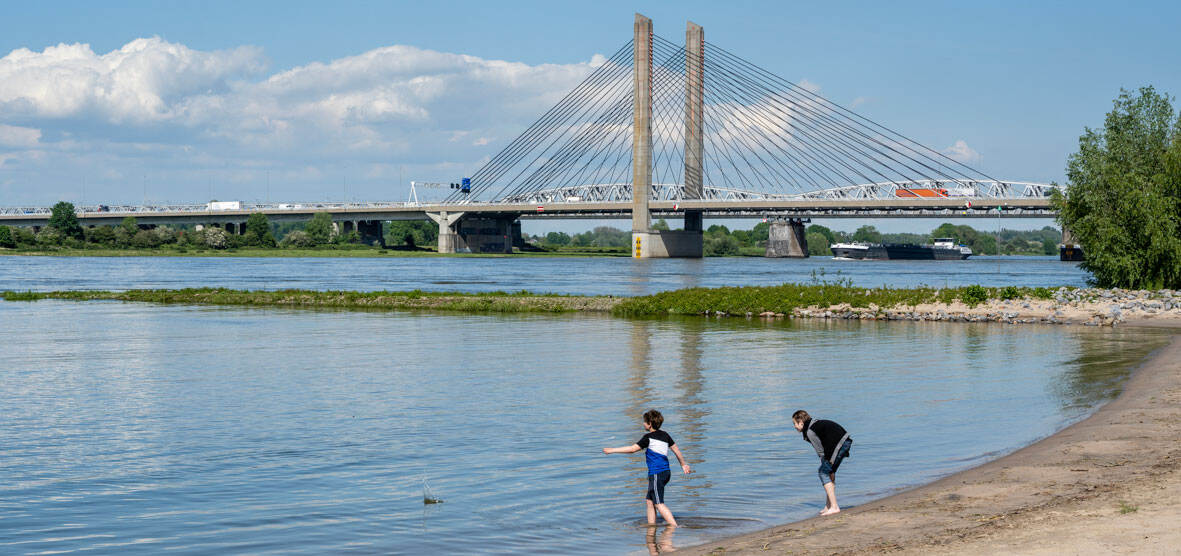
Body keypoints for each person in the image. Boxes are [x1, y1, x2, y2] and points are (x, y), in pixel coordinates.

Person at [603, 409, 692, 527]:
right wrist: (683, 464)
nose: (643, 424)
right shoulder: (665, 435)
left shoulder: (648, 438)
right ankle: (652, 527)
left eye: (644, 422)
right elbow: (676, 449)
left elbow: (632, 449)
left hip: (657, 473)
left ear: (649, 424)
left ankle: (674, 527)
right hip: (665, 473)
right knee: (649, 501)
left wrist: (612, 450)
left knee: (659, 503)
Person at [792, 409, 852, 516]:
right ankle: (828, 505)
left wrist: (826, 462)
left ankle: (834, 507)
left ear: (801, 422)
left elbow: (821, 451)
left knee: (823, 472)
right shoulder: (813, 424)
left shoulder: (810, 431)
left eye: (795, 423)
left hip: (839, 444)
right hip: (843, 441)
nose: (794, 426)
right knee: (828, 472)